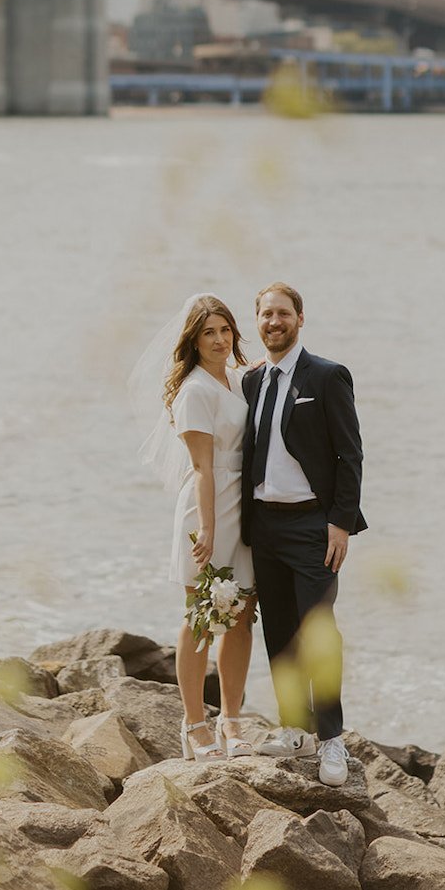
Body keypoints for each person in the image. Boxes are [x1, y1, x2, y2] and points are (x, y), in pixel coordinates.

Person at [241, 281, 365, 787]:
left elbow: (350, 454)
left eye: (283, 314)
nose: (274, 322)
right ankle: (294, 729)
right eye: (266, 314)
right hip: (263, 524)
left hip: (314, 525)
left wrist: (341, 521)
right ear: (258, 321)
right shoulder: (250, 382)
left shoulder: (327, 376)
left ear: (300, 318)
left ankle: (331, 739)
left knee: (319, 632)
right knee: (279, 630)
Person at [136, 293, 257, 761]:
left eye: (225, 330)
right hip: (207, 508)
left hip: (243, 508)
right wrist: (206, 531)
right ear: (194, 339)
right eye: (209, 332)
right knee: (201, 616)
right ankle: (193, 724)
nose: (219, 340)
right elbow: (204, 468)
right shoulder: (193, 392)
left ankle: (231, 720)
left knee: (242, 616)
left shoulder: (236, 379)